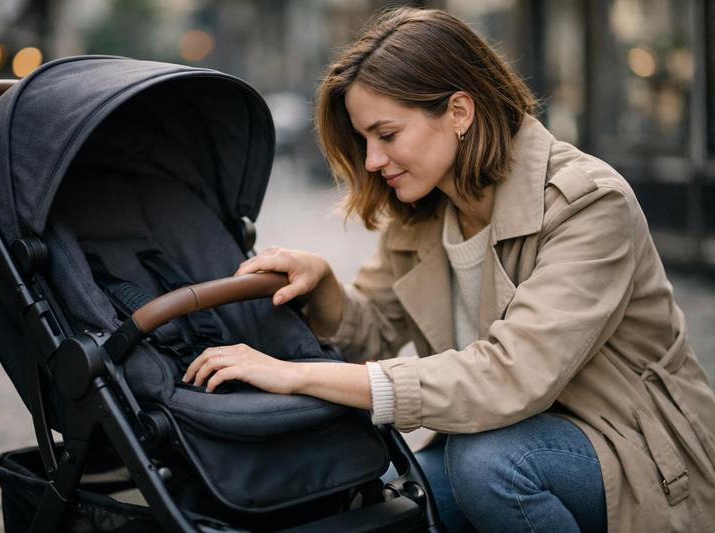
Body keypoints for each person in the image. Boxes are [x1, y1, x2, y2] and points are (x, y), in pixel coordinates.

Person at [183, 7, 715, 532]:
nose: (371, 161)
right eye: (364, 140)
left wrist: (297, 375)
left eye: (386, 135)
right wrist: (323, 284)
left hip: (637, 455)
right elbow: (373, 331)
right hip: (510, 438)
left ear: (459, 112)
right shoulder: (428, 211)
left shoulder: (587, 204)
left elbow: (509, 376)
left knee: (486, 464)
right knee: (398, 495)